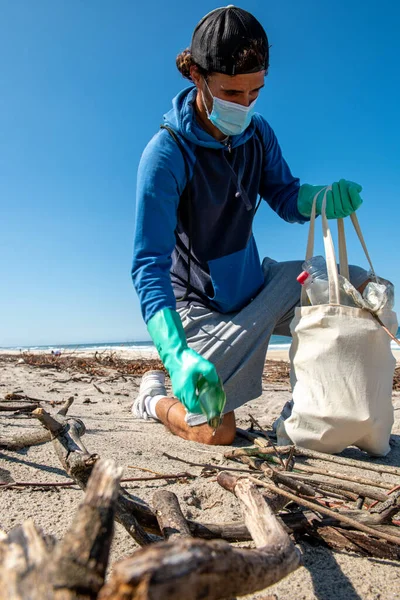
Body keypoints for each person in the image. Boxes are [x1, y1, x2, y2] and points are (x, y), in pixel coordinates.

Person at [131, 6, 369, 445]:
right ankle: (153, 398)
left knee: (360, 291)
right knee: (217, 430)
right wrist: (176, 353)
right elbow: (148, 264)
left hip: (258, 289)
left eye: (254, 93)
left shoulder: (258, 136)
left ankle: (310, 407)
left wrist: (318, 198)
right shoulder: (166, 155)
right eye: (231, 92)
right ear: (198, 76)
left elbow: (284, 195)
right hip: (199, 308)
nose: (244, 105)